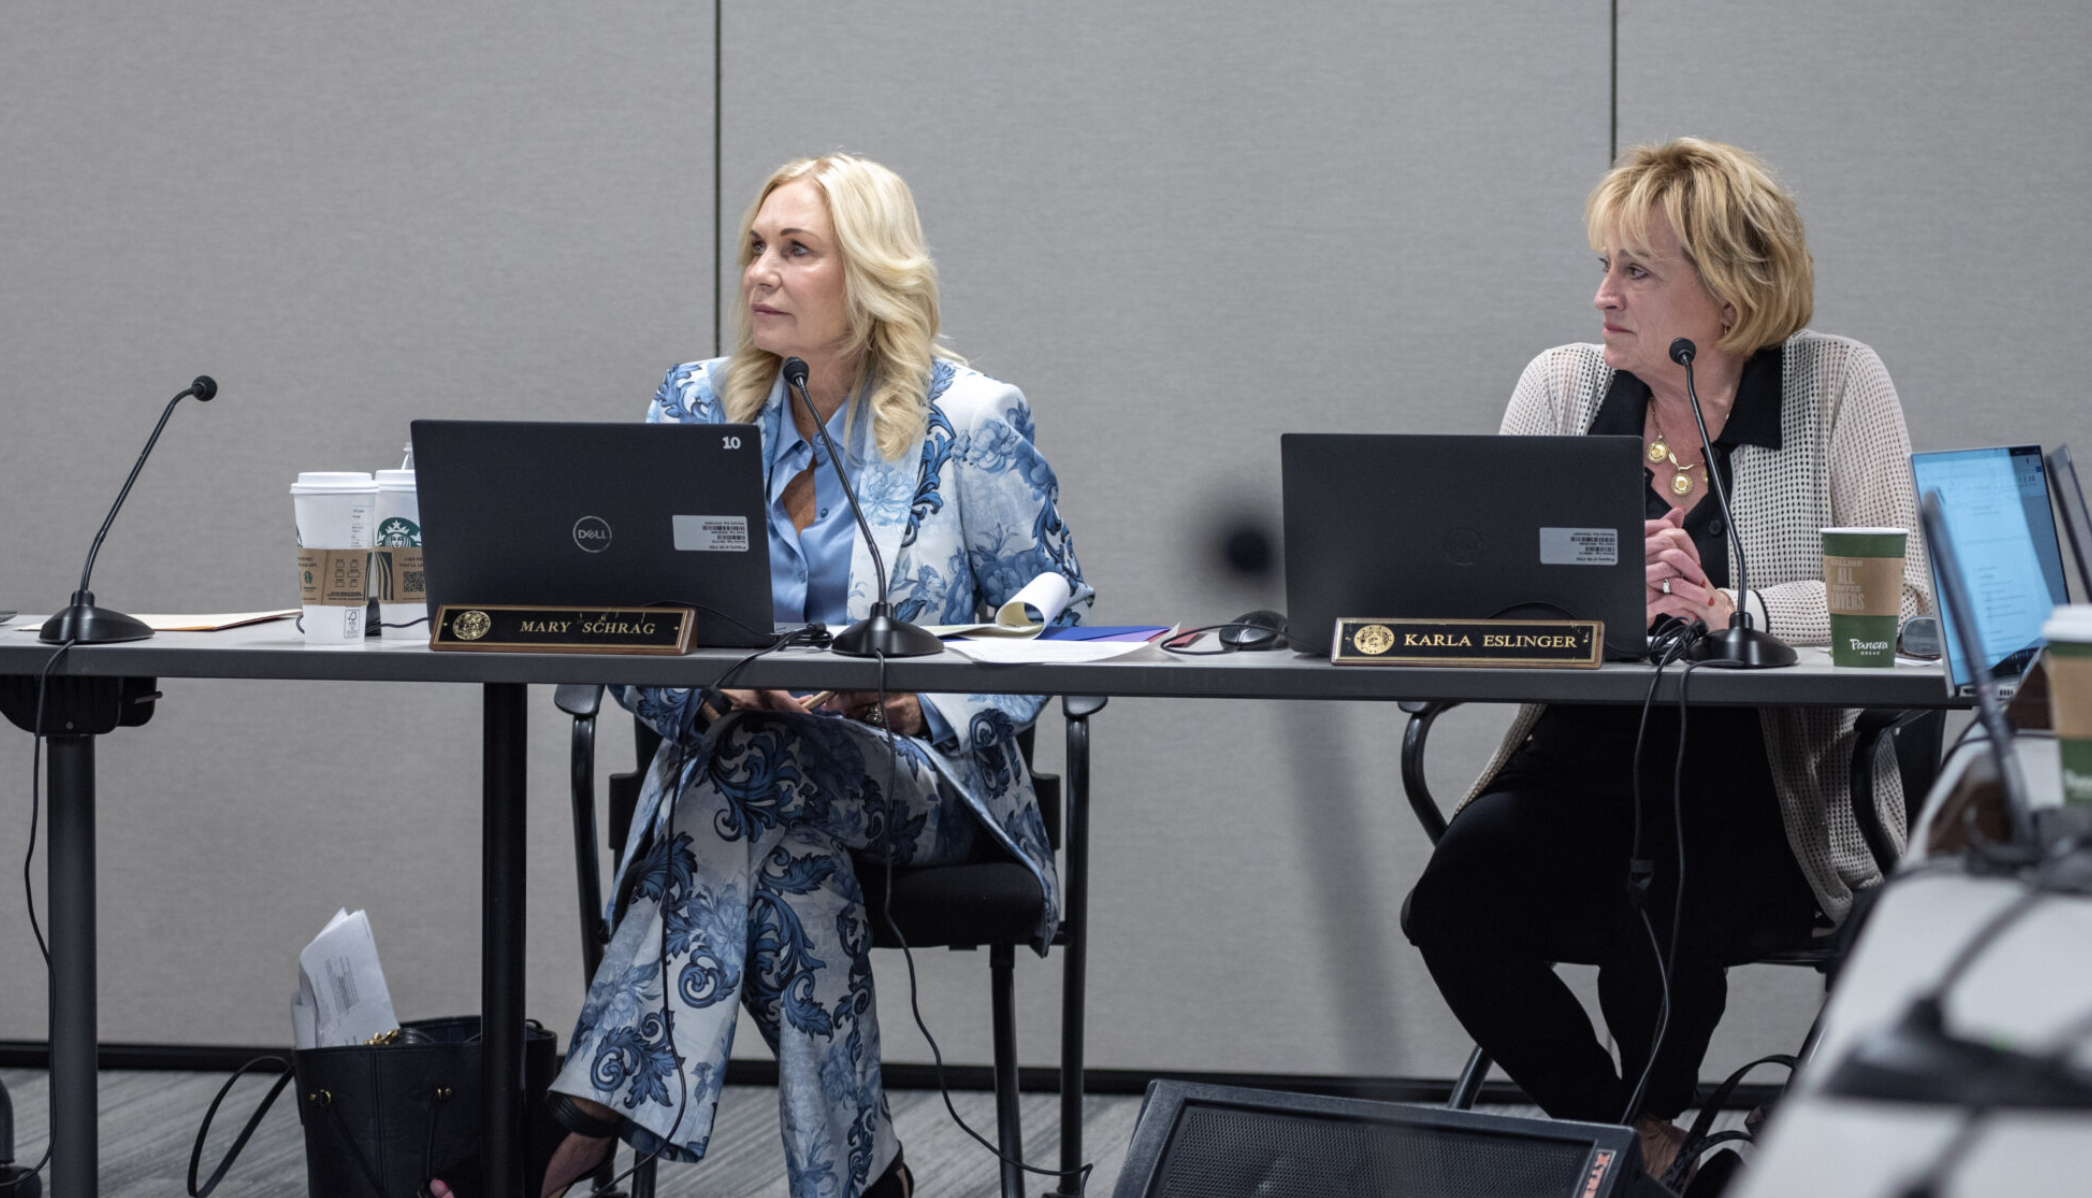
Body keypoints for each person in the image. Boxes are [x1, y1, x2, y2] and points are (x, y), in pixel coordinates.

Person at [428, 154, 1091, 1198]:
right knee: (781, 852)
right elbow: (638, 624)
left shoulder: (967, 419)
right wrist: (714, 686)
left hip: (923, 780)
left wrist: (923, 699)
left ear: (867, 272)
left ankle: (581, 1113)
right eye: (754, 247)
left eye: (796, 250)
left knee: (744, 789)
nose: (760, 274)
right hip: (749, 774)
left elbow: (1054, 609)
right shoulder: (699, 405)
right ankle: (860, 1177)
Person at [1402, 138, 1931, 1185]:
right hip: (1576, 765)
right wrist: (1595, 606)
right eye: (1602, 265)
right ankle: (1637, 1146)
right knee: (1453, 898)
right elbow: (1497, 600)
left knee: (1656, 892)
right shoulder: (1560, 388)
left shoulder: (1836, 385)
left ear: (1731, 296)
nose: (1602, 296)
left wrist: (1731, 603)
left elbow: (1907, 601)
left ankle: (1630, 1144)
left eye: (1635, 271)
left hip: (1767, 780)